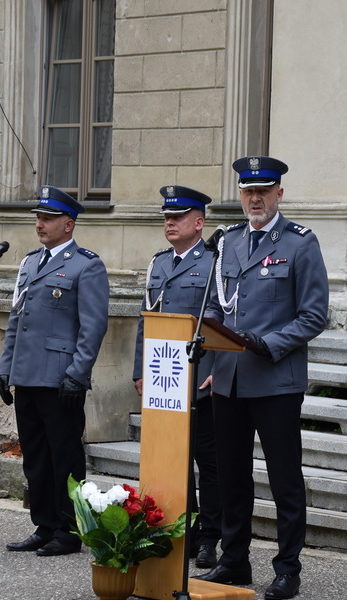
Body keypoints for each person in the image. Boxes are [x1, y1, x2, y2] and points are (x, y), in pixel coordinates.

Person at [194, 156, 329, 600]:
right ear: (240, 195)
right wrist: (213, 362)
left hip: (275, 380)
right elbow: (214, 306)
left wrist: (266, 343)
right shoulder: (228, 241)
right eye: (248, 191)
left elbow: (313, 315)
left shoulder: (300, 243)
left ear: (279, 194)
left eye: (264, 191)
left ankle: (287, 567)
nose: (255, 198)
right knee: (232, 476)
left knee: (284, 478)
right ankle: (234, 560)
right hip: (229, 380)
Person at [0, 185, 110, 557]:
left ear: (68, 224)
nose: (39, 224)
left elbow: (92, 327)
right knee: (36, 455)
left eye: (47, 219)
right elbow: (16, 320)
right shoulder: (30, 263)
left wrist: (78, 373)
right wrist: (4, 368)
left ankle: (69, 529)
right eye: (38, 218)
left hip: (60, 378)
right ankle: (44, 525)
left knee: (64, 456)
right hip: (27, 375)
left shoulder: (86, 265)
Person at [132, 185, 223, 569]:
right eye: (167, 217)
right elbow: (146, 319)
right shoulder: (158, 264)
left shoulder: (214, 261)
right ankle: (179, 532)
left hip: (200, 380)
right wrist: (140, 369)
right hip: (163, 379)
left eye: (178, 217)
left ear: (198, 222)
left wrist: (218, 367)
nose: (169, 222)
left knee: (209, 463)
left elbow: (224, 317)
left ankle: (208, 537)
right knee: (172, 460)